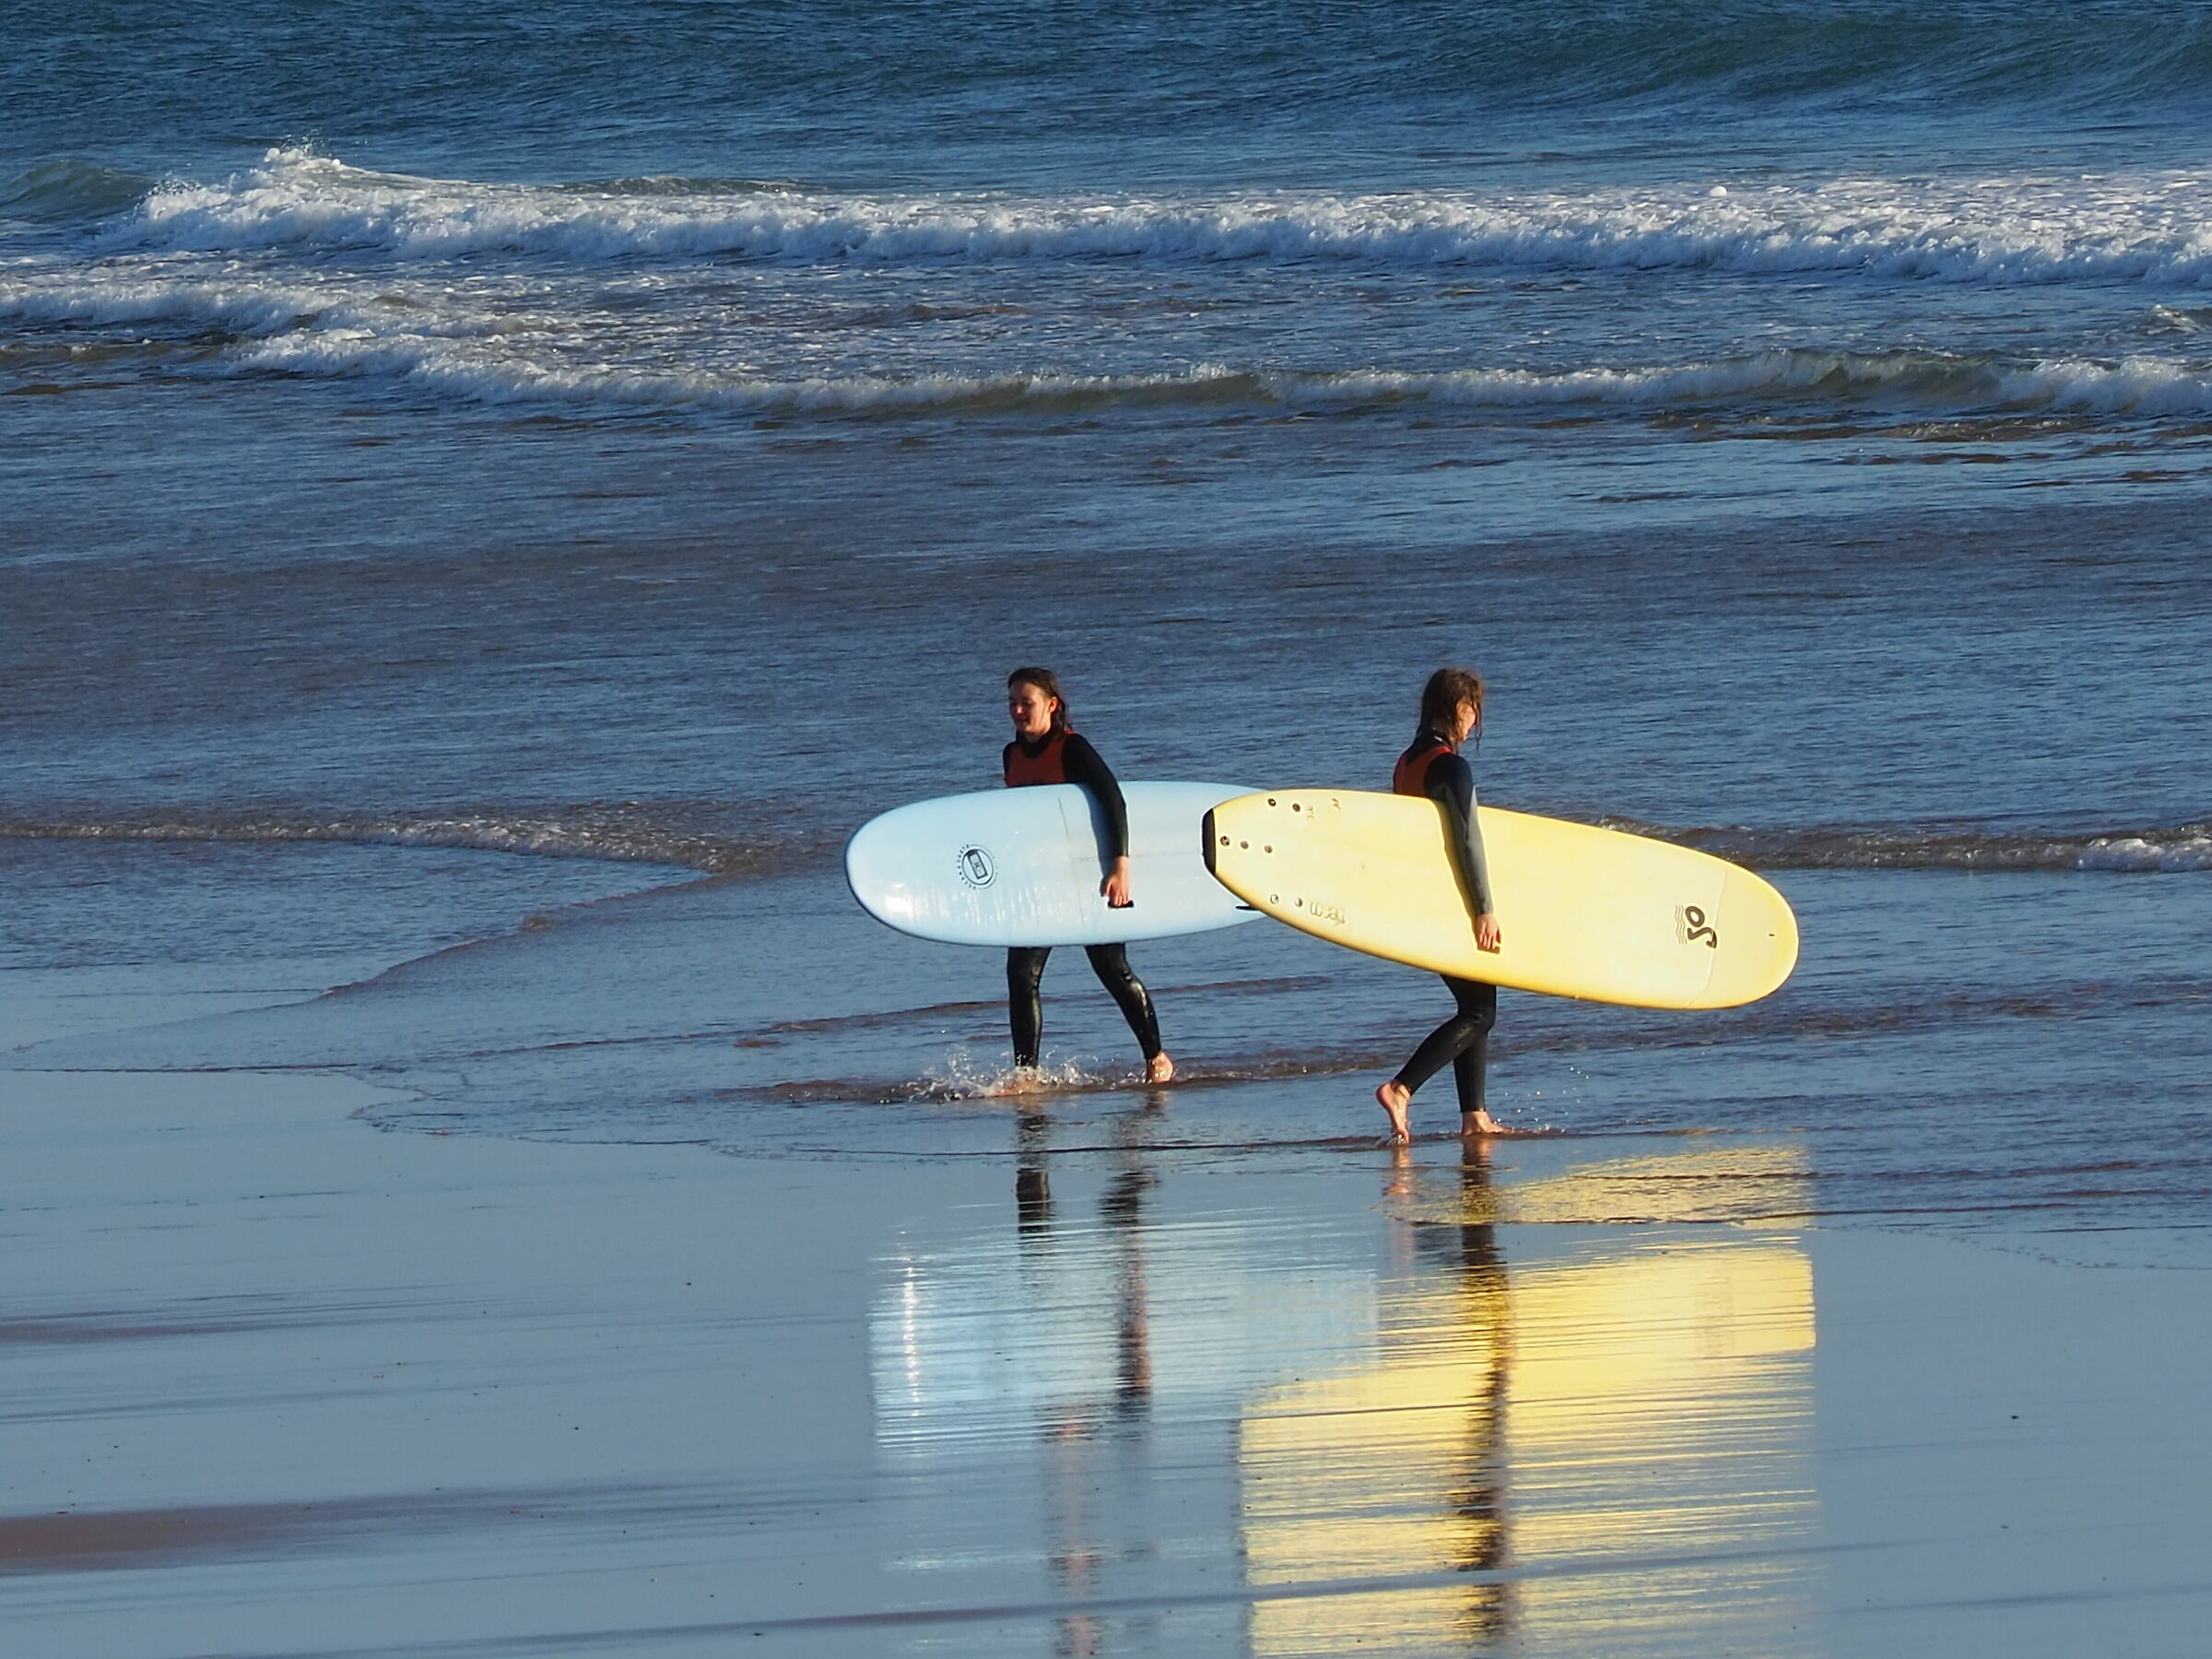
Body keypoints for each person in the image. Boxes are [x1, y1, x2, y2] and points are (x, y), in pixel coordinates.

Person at [1002, 666, 1174, 1086]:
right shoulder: (1010, 754)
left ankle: (1157, 1058)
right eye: (1013, 704)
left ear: (1051, 705)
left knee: (1111, 968)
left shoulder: (1072, 748)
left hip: (1089, 876)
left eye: (1027, 703)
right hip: (1042, 881)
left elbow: (1113, 799)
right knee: (1021, 975)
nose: (1019, 711)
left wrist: (1120, 865)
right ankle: (1027, 1074)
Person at [1376, 666, 1507, 1144]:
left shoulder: (1406, 762)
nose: (1474, 723)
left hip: (1421, 900)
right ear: (1458, 708)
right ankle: (1401, 1087)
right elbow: (1467, 840)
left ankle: (1474, 1115)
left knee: (1476, 1003)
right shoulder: (1451, 766)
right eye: (1473, 711)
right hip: (1452, 901)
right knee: (1480, 1012)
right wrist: (1484, 907)